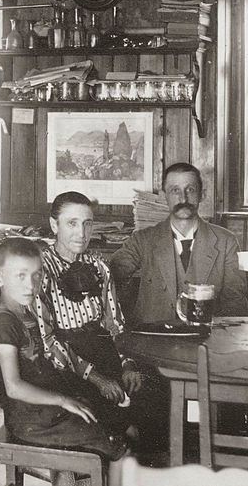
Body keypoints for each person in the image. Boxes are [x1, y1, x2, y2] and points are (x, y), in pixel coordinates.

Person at [0, 237, 127, 486]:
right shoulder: (5, 321)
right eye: (20, 276)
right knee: (115, 445)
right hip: (31, 420)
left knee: (103, 419)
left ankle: (71, 479)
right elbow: (13, 386)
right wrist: (63, 400)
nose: (31, 285)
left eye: (37, 276)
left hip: (42, 413)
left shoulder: (25, 313)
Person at [33, 192, 152, 451]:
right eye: (72, 223)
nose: (81, 232)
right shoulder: (40, 271)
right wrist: (97, 379)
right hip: (64, 366)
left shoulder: (100, 268)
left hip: (102, 351)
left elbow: (115, 325)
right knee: (120, 426)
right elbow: (47, 341)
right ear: (55, 226)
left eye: (87, 223)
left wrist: (127, 364)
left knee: (149, 398)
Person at [109, 162, 248, 324]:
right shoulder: (143, 240)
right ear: (164, 196)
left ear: (202, 194)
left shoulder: (226, 242)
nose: (183, 198)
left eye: (190, 190)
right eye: (175, 190)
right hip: (153, 340)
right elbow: (109, 277)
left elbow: (235, 303)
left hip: (206, 340)